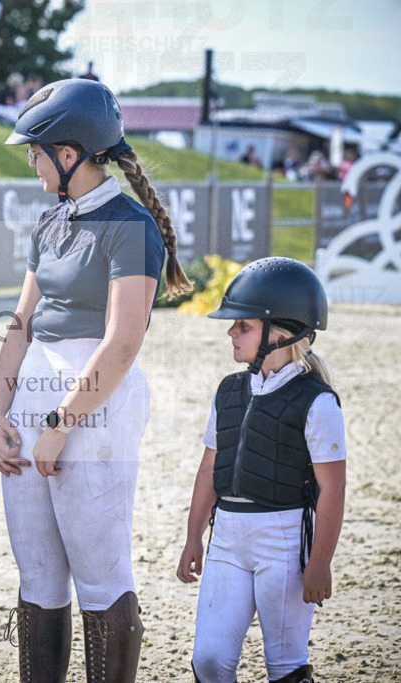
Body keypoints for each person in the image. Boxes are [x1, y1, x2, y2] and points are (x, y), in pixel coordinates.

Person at [0, 78, 192, 682]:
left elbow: (123, 341)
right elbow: (21, 323)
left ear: (70, 154)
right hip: (33, 402)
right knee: (39, 573)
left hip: (94, 407)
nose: (30, 160)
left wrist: (60, 424)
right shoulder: (51, 221)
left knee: (100, 571)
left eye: (37, 149)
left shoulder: (131, 226)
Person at [177, 257, 346, 683]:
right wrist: (193, 537)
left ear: (280, 334)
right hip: (228, 540)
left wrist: (320, 563)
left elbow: (331, 491)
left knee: (285, 665)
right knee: (210, 661)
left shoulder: (318, 402)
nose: (230, 332)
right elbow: (208, 470)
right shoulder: (229, 390)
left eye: (243, 325)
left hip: (284, 543)